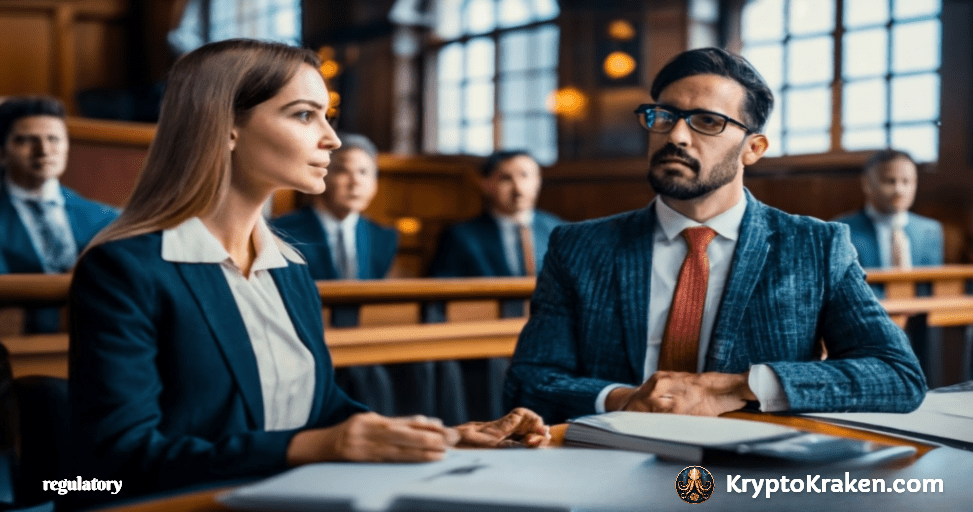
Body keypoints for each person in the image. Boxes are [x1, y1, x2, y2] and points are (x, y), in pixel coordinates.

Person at [68, 39, 549, 507]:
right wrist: (315, 448)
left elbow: (320, 411)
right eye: (303, 114)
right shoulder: (125, 268)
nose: (332, 138)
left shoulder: (290, 267)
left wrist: (442, 436)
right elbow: (110, 467)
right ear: (226, 127)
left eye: (327, 115)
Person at [503, 47, 926, 424]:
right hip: (608, 469)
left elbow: (897, 375)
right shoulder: (579, 247)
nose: (676, 136)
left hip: (752, 476)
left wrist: (735, 388)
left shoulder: (815, 246)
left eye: (707, 121)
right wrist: (623, 398)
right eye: (664, 116)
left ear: (753, 148)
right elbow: (528, 381)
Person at [428, 150, 565, 421]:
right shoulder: (460, 236)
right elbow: (440, 299)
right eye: (506, 178)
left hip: (550, 347)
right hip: (485, 352)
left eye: (525, 176)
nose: (518, 188)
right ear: (486, 184)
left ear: (537, 181)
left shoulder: (560, 231)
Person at [273, 133, 399, 416]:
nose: (355, 182)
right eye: (343, 170)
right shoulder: (282, 231)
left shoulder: (384, 237)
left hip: (368, 349)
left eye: (364, 172)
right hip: (305, 349)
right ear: (323, 174)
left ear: (375, 183)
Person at [0, 96, 118, 332]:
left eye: (53, 139)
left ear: (67, 146)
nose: (43, 151)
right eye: (26, 140)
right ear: (2, 152)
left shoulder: (106, 218)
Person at [834, 149, 943, 269]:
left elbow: (932, 284)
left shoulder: (930, 231)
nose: (899, 191)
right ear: (867, 184)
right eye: (890, 181)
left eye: (906, 181)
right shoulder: (842, 231)